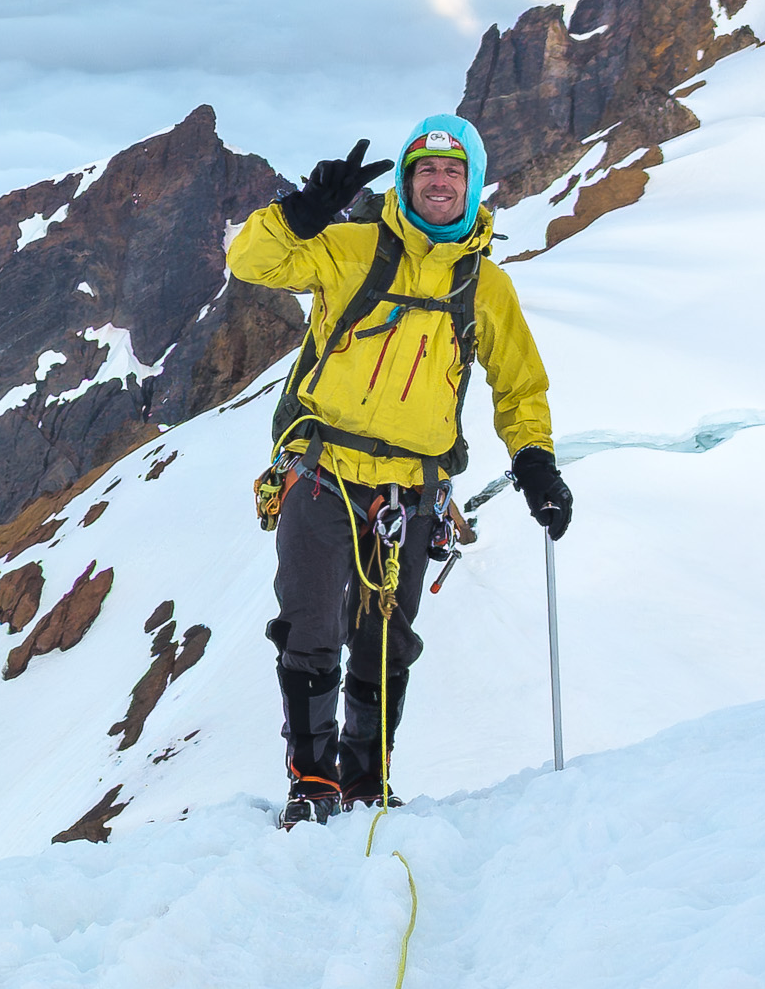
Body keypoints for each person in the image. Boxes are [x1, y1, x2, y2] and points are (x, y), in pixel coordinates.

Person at [227, 117, 571, 825]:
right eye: (424, 171)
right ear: (407, 182)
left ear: (473, 186)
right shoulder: (349, 248)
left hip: (412, 491)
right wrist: (303, 212)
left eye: (452, 173)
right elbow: (251, 263)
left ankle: (366, 782)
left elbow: (520, 386)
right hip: (322, 473)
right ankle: (313, 782)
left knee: (387, 638)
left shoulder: (487, 288)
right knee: (311, 627)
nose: (437, 183)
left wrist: (535, 462)